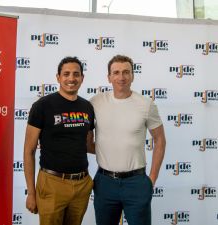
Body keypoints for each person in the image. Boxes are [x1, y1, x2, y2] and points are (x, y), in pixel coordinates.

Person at [89, 55, 166, 225]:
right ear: (109, 77)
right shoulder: (96, 102)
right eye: (116, 72)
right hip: (105, 182)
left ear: (133, 75)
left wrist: (151, 179)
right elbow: (87, 138)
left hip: (137, 182)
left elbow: (159, 140)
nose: (121, 77)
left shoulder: (146, 104)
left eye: (126, 72)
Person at [23, 56, 95, 225]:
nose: (71, 78)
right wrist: (31, 193)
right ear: (58, 77)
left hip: (82, 184)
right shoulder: (42, 105)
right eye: (66, 74)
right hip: (52, 183)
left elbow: (88, 145)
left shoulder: (87, 107)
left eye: (76, 74)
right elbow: (29, 150)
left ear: (82, 78)